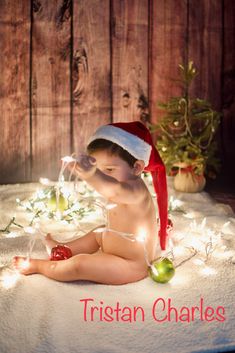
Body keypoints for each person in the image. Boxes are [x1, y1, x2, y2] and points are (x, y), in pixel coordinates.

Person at [13, 121, 168, 285]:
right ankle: (64, 249)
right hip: (110, 240)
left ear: (137, 167)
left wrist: (91, 174)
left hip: (129, 264)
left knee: (80, 265)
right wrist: (86, 170)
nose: (103, 175)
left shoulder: (136, 192)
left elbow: (113, 189)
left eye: (109, 169)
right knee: (98, 232)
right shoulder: (123, 179)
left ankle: (40, 266)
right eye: (98, 168)